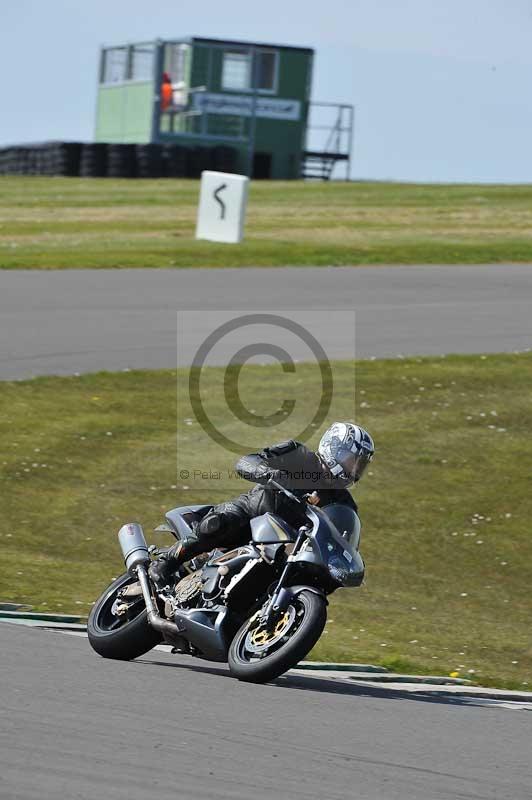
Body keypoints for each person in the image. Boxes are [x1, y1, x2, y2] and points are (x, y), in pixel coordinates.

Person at [149, 422, 375, 589]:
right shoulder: (298, 455)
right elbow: (247, 461)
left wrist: (348, 559)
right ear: (333, 448)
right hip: (253, 514)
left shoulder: (342, 501)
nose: (354, 470)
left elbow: (343, 536)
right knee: (219, 523)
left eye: (359, 465)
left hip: (285, 546)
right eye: (351, 460)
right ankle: (167, 562)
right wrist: (270, 473)